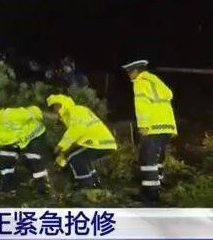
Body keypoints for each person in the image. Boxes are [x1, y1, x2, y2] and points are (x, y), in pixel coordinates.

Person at [122, 60, 177, 202]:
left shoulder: (140, 83)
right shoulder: (156, 82)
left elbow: (142, 107)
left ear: (136, 71)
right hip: (167, 126)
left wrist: (143, 126)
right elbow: (168, 98)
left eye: (129, 72)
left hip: (153, 127)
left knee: (147, 159)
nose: (128, 75)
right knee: (158, 158)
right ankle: (159, 185)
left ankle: (150, 193)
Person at [0, 106, 50, 195]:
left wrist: (46, 116)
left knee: (33, 158)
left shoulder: (6, 117)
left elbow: (29, 113)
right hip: (16, 141)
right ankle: (8, 187)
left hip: (34, 134)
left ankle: (44, 187)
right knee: (4, 157)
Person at [46, 94, 117, 189]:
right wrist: (60, 163)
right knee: (81, 158)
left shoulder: (74, 110)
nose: (54, 112)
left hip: (97, 143)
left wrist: (59, 147)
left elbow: (74, 131)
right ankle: (95, 185)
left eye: (53, 108)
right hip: (101, 143)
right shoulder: (76, 112)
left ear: (58, 105)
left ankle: (85, 187)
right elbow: (71, 145)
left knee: (76, 159)